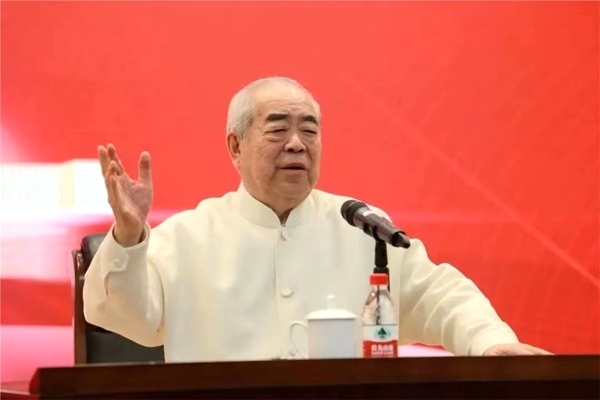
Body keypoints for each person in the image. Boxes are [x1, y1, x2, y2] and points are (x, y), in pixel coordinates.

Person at [83, 76, 550, 361]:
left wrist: (489, 343)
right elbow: (125, 317)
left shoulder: (361, 226)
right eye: (278, 128)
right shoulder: (188, 236)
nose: (297, 144)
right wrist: (128, 235)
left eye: (309, 130)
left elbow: (438, 295)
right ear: (235, 146)